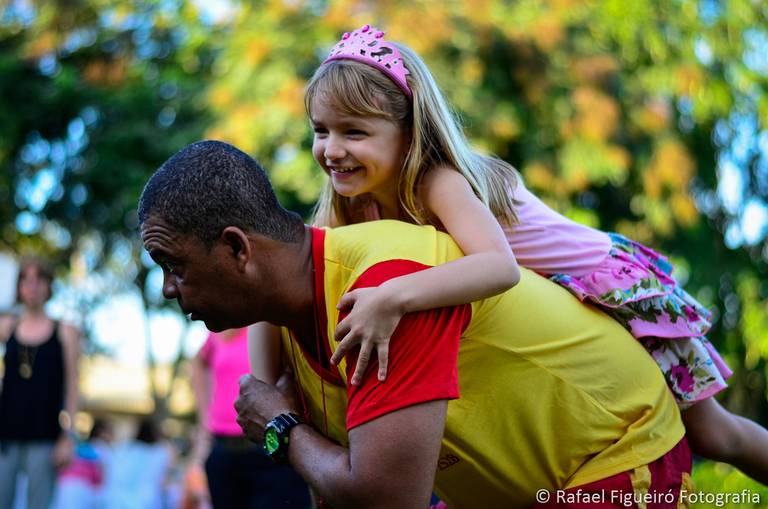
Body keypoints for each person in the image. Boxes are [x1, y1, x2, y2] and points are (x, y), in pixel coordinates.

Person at [248, 24, 768, 484]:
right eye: (320, 131)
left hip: (604, 285)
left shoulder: (436, 180)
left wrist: (392, 297)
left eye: (353, 132)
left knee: (716, 435)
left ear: (409, 133)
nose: (331, 150)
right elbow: (282, 284)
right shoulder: (351, 206)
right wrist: (268, 391)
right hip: (552, 309)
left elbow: (498, 268)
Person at [138, 140, 692, 508]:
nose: (168, 289)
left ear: (237, 248)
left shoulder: (388, 289)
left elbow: (386, 499)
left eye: (174, 265)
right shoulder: (284, 315)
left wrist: (282, 430)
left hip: (618, 461)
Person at [189, 327, 310, 508]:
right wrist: (204, 421)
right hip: (223, 449)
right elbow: (198, 363)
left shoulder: (270, 324)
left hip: (268, 448)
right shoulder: (221, 328)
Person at [0, 258, 81, 509]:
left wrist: (68, 438)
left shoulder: (65, 330)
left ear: (48, 286)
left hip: (45, 437)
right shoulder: (6, 327)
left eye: (39, 280)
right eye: (26, 280)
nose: (32, 286)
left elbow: (73, 386)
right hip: (5, 436)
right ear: (19, 286)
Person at [101, 418, 174, 509]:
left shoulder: (124, 449)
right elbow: (162, 479)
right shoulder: (159, 452)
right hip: (146, 501)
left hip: (117, 501)